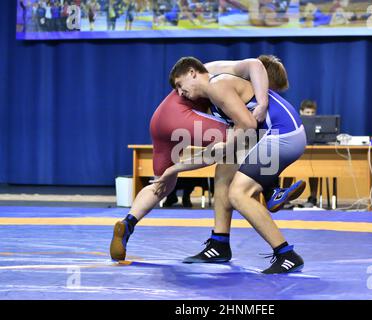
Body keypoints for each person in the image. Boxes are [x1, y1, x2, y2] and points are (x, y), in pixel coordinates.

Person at [110, 56, 304, 263]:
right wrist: (263, 103)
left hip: (158, 121)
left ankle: (129, 221)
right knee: (238, 142)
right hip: (183, 117)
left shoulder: (216, 81)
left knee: (164, 182)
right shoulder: (214, 81)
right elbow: (254, 77)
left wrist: (174, 169)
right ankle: (271, 192)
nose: (261, 91)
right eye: (266, 87)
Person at [299, 99, 318, 208]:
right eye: (307, 112)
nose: (310, 115)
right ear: (301, 112)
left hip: (313, 151)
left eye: (312, 113)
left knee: (315, 167)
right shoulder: (296, 122)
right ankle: (285, 199)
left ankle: (313, 198)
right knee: (289, 168)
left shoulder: (317, 124)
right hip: (297, 150)